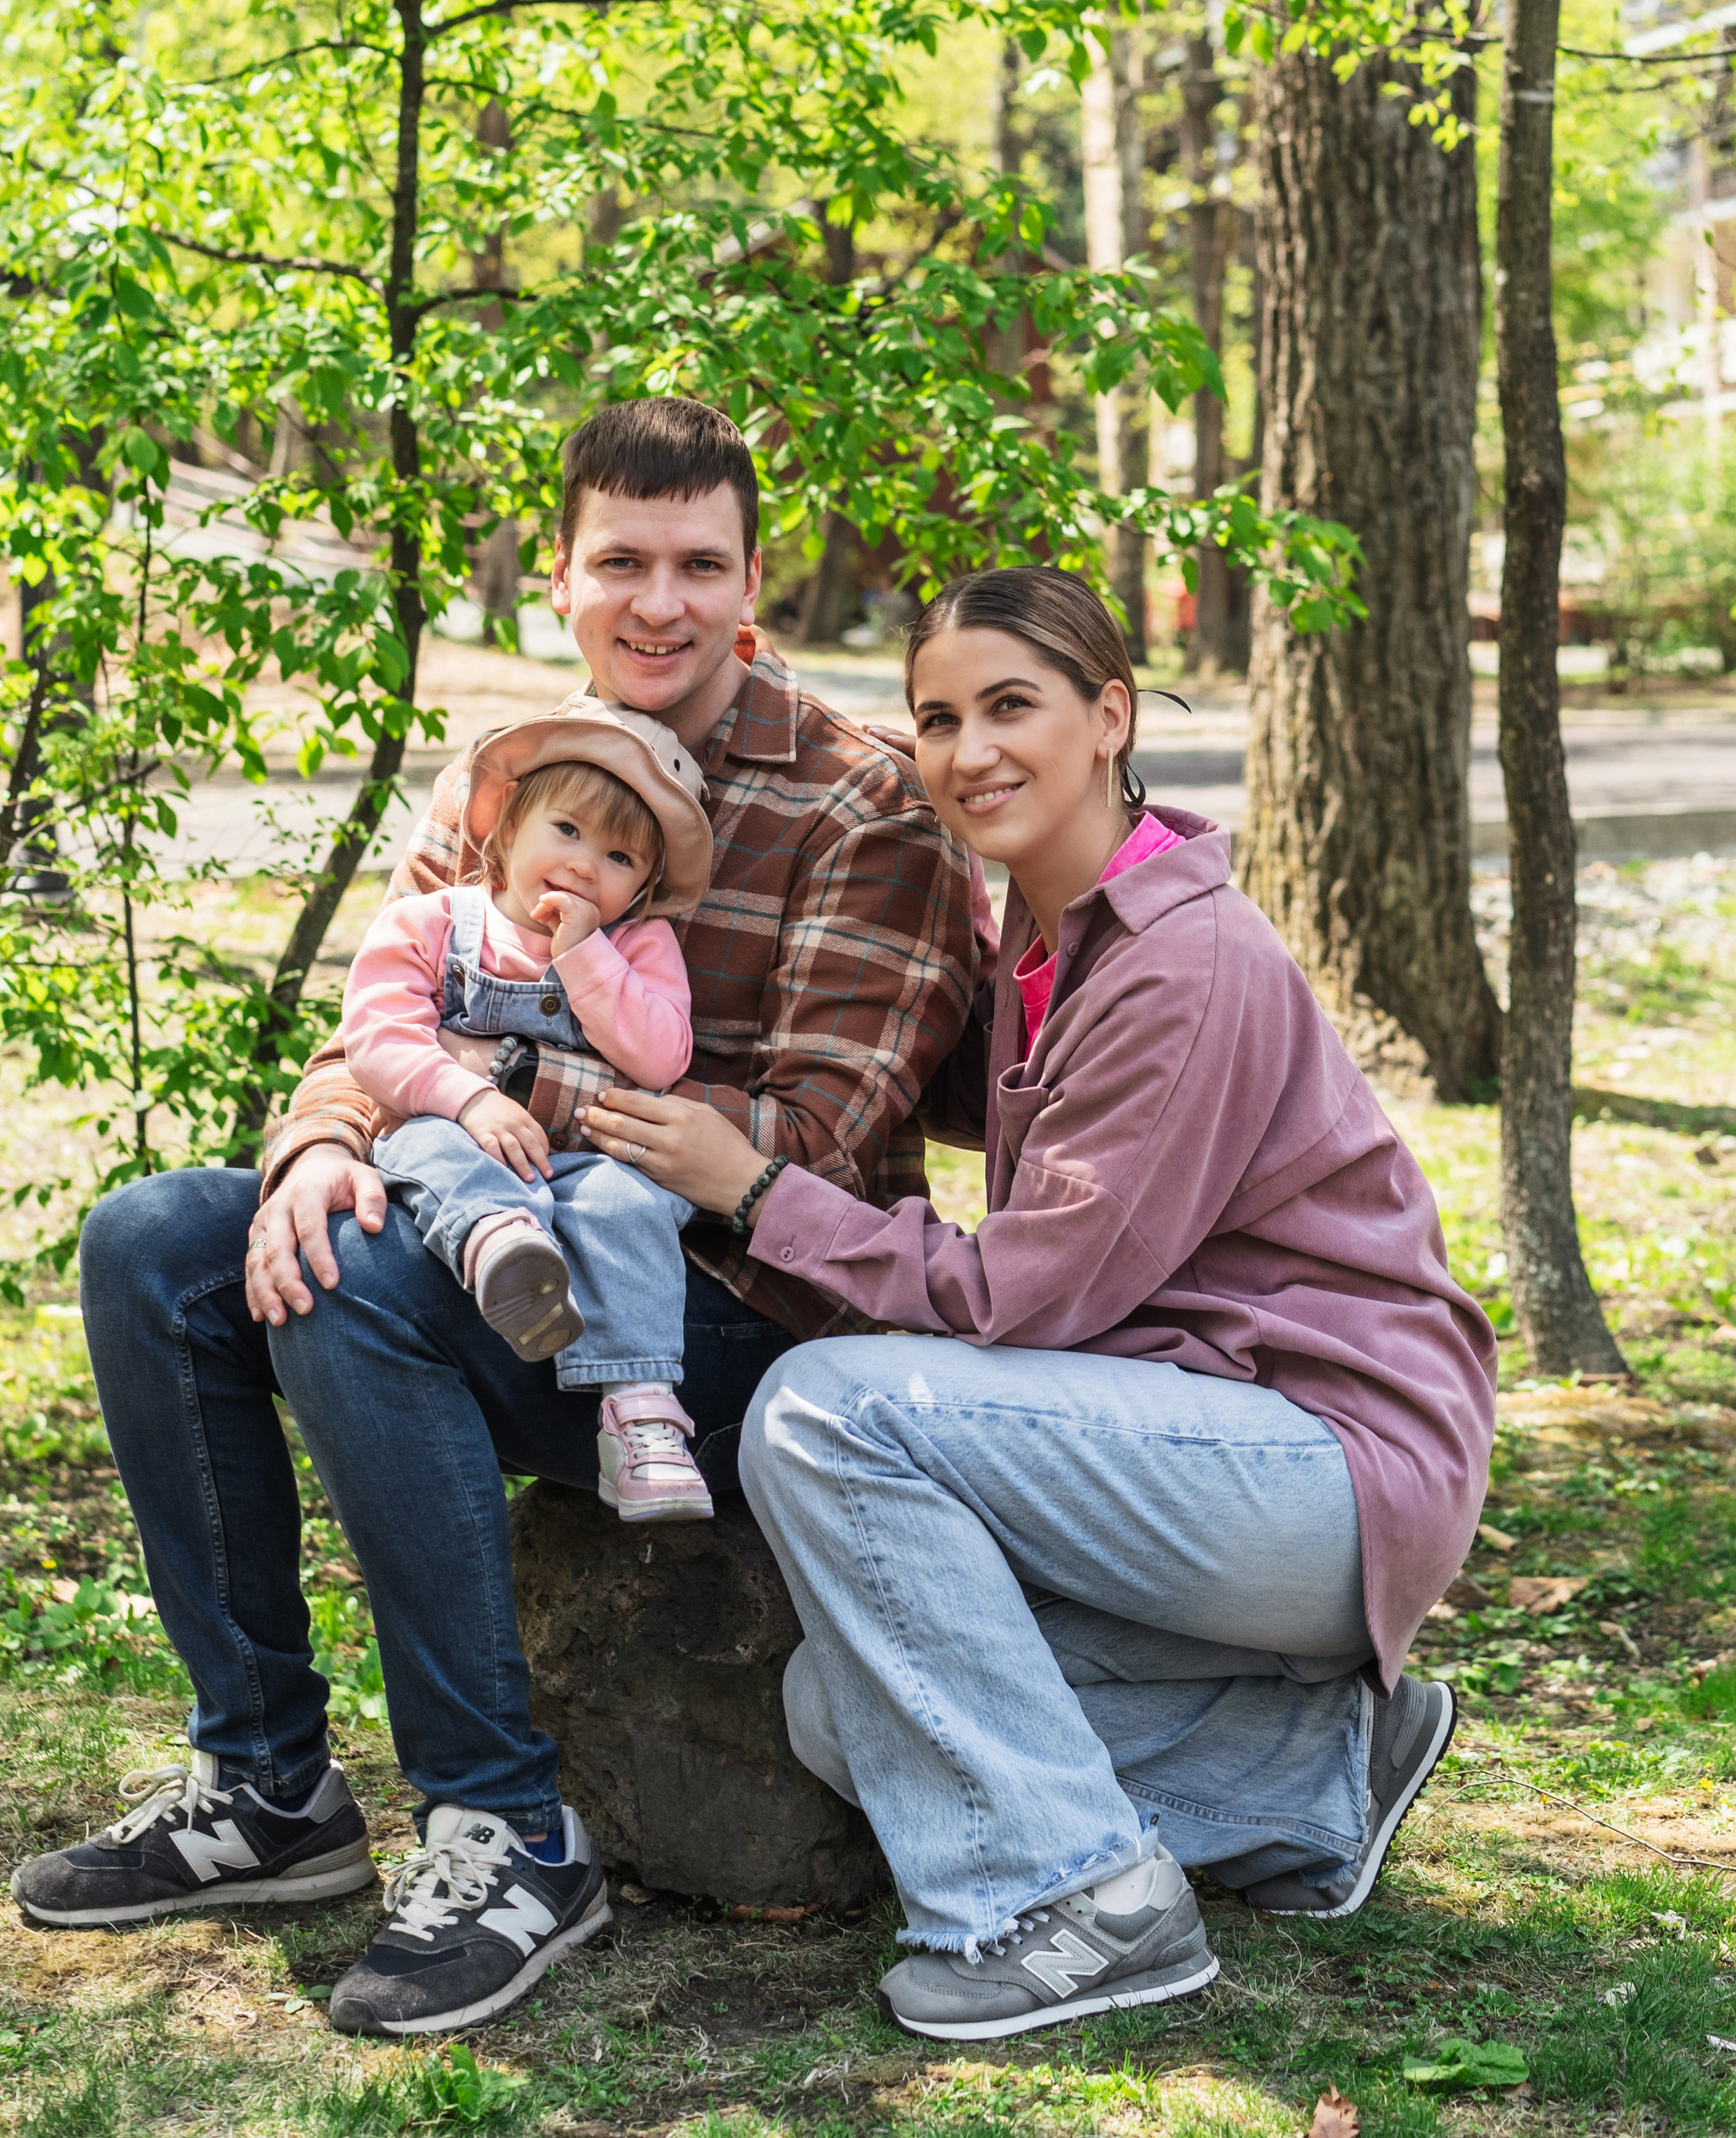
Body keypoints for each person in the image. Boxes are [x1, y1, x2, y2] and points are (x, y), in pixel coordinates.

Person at [14, 400, 974, 2044]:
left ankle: (509, 1827)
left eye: (696, 564)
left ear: (751, 582)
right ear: (560, 576)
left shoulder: (855, 805)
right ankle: (268, 1786)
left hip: (741, 1325)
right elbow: (374, 1006)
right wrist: (330, 1137)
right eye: (620, 560)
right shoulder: (511, 778)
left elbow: (812, 1148)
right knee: (156, 1238)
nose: (655, 602)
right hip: (496, 1243)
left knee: (355, 1285)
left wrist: (482, 1109)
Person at [579, 564, 1499, 2043]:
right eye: (936, 719)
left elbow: (1032, 1296)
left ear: (1109, 716)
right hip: (1193, 1439)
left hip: (1325, 1456)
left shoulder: (1181, 958)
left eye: (1012, 706)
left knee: (826, 1411)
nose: (968, 751)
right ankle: (1307, 1770)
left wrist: (753, 1188)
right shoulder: (1041, 940)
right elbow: (909, 1073)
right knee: (844, 1702)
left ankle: (1066, 1899)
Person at [351, 703, 722, 1521]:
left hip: (586, 1162)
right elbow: (375, 1041)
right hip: (455, 1135)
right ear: (508, 828)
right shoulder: (435, 923)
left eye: (619, 856)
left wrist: (583, 955)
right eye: (566, 830)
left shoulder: (637, 947)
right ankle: (504, 1250)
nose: (587, 866)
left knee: (630, 1208)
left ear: (645, 885)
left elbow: (661, 1057)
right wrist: (468, 1097)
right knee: (433, 1148)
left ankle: (643, 1416)